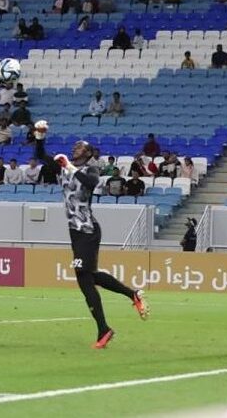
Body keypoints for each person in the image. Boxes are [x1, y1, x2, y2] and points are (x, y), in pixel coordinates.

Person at [35, 139, 149, 348]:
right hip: (75, 232)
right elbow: (41, 155)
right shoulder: (63, 168)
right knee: (87, 277)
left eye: (79, 147)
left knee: (84, 277)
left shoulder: (91, 169)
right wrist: (40, 136)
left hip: (87, 229)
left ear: (88, 153)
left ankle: (110, 322)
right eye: (74, 146)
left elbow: (91, 184)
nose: (74, 148)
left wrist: (68, 166)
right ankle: (122, 306)